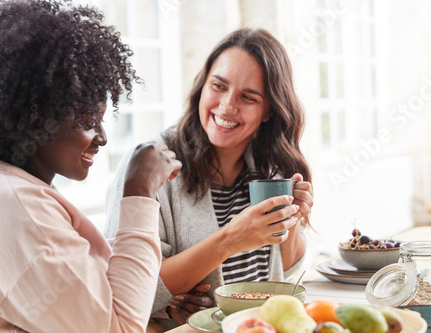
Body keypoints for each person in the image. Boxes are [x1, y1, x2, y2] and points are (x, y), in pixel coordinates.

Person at [0, 0, 181, 332]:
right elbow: (120, 329)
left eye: (101, 121)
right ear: (37, 119)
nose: (102, 138)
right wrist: (139, 191)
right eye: (87, 122)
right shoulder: (15, 209)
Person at [105, 27, 313, 329]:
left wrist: (291, 219)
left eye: (248, 97)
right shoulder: (148, 166)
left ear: (268, 111)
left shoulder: (270, 165)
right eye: (218, 86)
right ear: (203, 86)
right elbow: (124, 292)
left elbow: (286, 271)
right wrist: (230, 240)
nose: (227, 106)